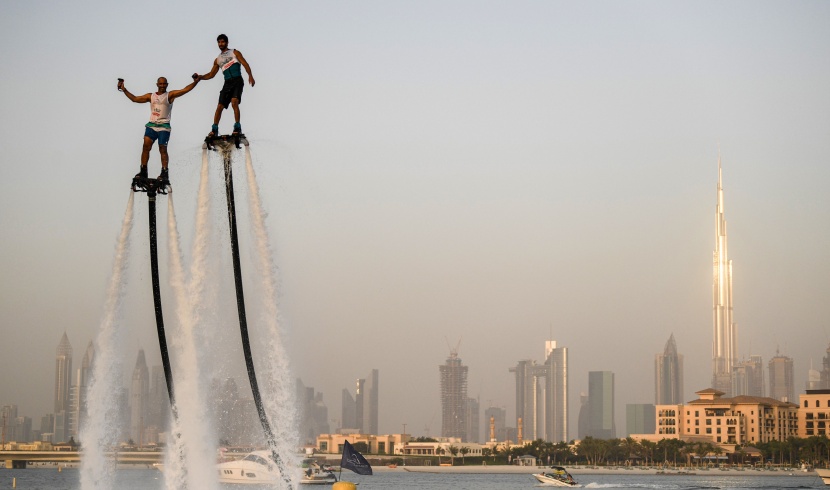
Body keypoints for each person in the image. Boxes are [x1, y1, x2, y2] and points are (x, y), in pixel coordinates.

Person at [118, 75, 200, 183]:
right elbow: (135, 99)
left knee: (162, 148)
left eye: (164, 84)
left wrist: (195, 82)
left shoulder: (169, 95)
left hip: (164, 126)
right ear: (157, 84)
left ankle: (164, 172)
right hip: (152, 125)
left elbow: (185, 90)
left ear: (167, 85)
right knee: (146, 146)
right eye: (160, 84)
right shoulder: (150, 96)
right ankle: (143, 170)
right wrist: (124, 89)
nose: (162, 86)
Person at [196, 34, 255, 137]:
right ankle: (214, 129)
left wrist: (250, 75)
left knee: (234, 102)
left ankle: (237, 126)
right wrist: (200, 77)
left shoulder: (234, 52)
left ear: (227, 42)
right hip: (227, 83)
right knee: (219, 106)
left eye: (223, 42)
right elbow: (211, 74)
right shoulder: (217, 59)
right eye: (219, 42)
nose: (221, 44)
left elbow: (245, 63)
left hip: (237, 80)